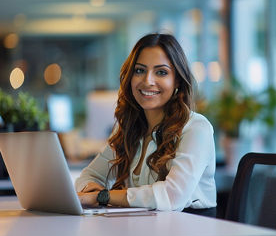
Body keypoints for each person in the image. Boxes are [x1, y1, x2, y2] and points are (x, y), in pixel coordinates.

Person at [75, 33, 216, 216]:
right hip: (142, 228)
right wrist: (93, 191)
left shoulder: (196, 128)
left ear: (178, 81)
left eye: (161, 72)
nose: (147, 81)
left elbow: (172, 196)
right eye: (140, 70)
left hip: (189, 234)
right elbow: (88, 177)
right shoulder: (128, 128)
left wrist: (103, 197)